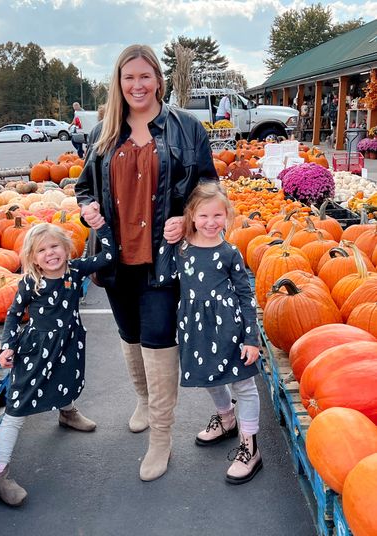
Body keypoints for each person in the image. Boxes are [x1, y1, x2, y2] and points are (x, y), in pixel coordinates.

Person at [75, 44, 218, 482]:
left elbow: (208, 184)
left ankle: (161, 436)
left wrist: (186, 217)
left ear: (159, 79)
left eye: (144, 76)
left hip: (164, 259)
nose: (137, 85)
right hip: (116, 256)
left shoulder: (186, 128)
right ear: (118, 83)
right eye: (128, 77)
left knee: (158, 339)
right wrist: (88, 209)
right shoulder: (105, 131)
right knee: (130, 333)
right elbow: (83, 187)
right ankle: (142, 397)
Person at [0, 220, 114, 505]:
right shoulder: (31, 283)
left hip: (68, 344)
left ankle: (67, 413)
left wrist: (100, 227)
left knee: (66, 379)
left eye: (55, 246)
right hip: (36, 350)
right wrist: (6, 346)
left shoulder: (75, 271)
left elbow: (109, 255)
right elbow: (12, 315)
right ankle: (0, 474)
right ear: (32, 258)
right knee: (17, 408)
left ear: (67, 248)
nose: (50, 253)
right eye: (42, 250)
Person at [156, 181, 263, 485]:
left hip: (229, 327)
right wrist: (167, 238)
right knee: (208, 377)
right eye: (203, 216)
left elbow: (246, 296)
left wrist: (250, 339)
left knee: (243, 385)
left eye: (218, 216)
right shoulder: (183, 248)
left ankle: (250, 447)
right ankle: (226, 418)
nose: (210, 223)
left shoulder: (230, 252)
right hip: (195, 327)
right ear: (190, 216)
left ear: (227, 216)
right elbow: (163, 274)